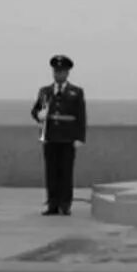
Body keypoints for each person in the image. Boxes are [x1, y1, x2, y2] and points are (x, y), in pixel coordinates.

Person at [29, 54, 86, 216]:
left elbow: (81, 117)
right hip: (51, 137)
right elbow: (36, 110)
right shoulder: (45, 92)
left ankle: (65, 204)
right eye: (56, 71)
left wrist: (79, 137)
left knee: (66, 172)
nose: (58, 74)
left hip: (68, 138)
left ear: (67, 73)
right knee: (51, 172)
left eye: (61, 71)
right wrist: (39, 115)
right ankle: (52, 203)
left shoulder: (76, 92)